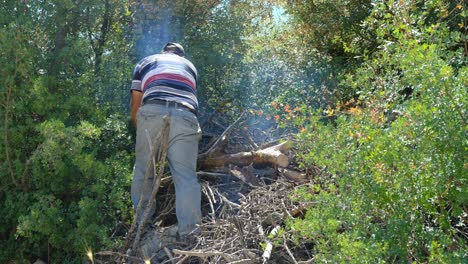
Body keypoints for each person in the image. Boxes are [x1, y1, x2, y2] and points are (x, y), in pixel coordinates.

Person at [129, 42, 202, 237]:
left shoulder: (146, 61)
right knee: (186, 178)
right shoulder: (190, 67)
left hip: (152, 111)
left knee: (144, 171)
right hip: (185, 115)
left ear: (164, 52)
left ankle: (142, 229)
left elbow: (136, 101)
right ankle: (190, 235)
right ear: (181, 55)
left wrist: (140, 128)